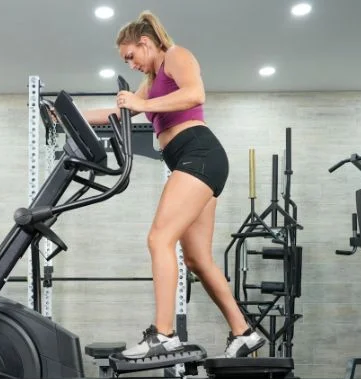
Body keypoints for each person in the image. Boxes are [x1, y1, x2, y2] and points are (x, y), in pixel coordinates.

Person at [79, 11, 267, 359]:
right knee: (197, 260)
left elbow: (196, 94)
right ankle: (244, 332)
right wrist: (69, 116)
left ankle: (163, 334)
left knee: (158, 238)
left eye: (130, 56)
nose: (130, 64)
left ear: (145, 42)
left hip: (199, 152)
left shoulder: (177, 56)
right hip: (191, 160)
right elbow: (118, 114)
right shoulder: (151, 81)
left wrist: (142, 103)